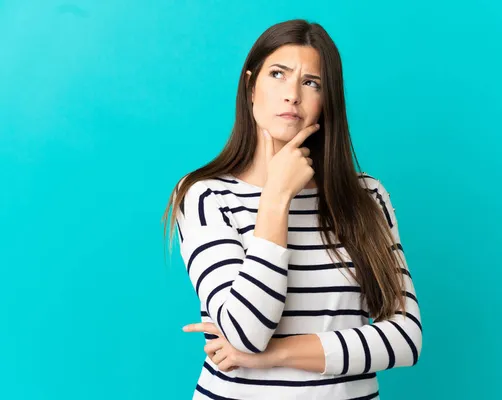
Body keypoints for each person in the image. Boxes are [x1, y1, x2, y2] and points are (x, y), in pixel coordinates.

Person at [162, 18, 423, 400]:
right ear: (251, 86)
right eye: (278, 74)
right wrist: (276, 199)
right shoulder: (205, 197)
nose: (292, 95)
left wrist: (274, 356)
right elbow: (245, 334)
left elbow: (404, 338)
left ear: (325, 101)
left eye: (311, 82)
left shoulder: (367, 196)